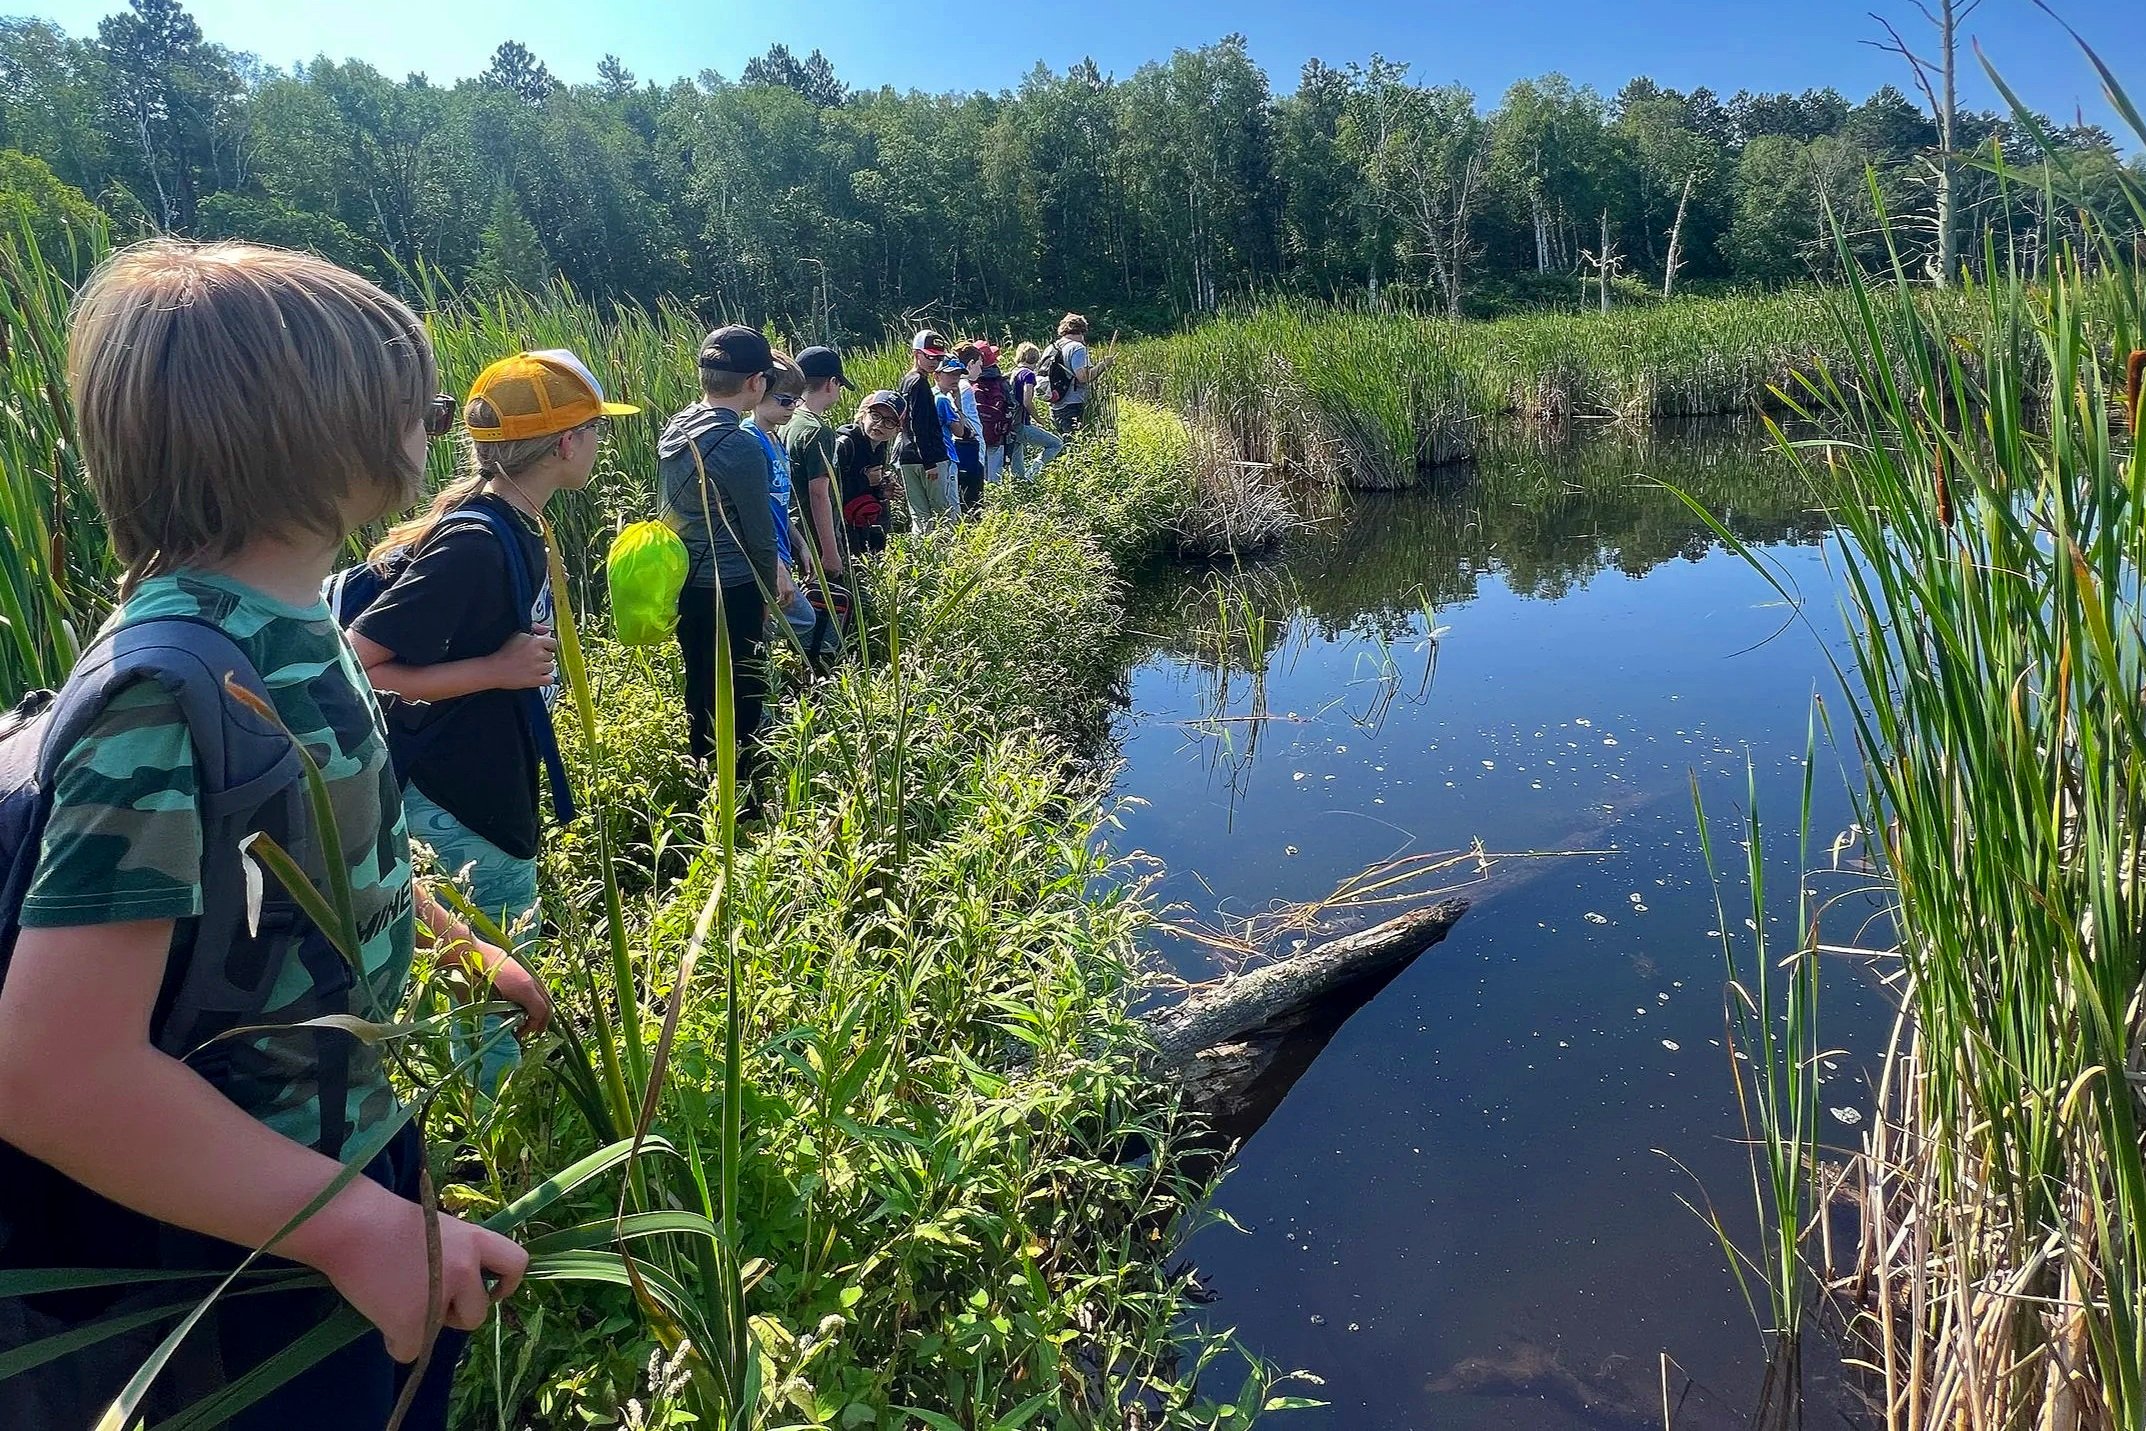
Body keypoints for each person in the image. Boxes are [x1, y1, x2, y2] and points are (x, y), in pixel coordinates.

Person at [0, 239, 542, 1430]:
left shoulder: (296, 629)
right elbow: (52, 1073)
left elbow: (338, 856)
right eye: (424, 407)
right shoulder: (169, 685)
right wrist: (349, 1227)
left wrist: (464, 951)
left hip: (339, 1158)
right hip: (238, 1239)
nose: (437, 427)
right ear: (321, 433)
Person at [347, 348, 633, 1092]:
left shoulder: (510, 520)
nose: (601, 442)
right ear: (566, 443)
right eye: (596, 429)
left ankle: (498, 1122)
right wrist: (496, 672)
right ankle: (503, 1150)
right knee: (490, 989)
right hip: (459, 804)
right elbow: (359, 661)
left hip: (486, 788)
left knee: (493, 977)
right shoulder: (476, 541)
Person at [658, 325, 780, 776]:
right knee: (743, 691)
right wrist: (768, 597)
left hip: (686, 582)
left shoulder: (677, 427)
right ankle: (743, 793)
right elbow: (761, 537)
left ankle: (704, 772)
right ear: (754, 382)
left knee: (700, 684)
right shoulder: (740, 445)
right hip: (732, 586)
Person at [746, 354, 836, 667]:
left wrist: (801, 544)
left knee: (794, 623)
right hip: (766, 557)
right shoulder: (750, 440)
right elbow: (752, 509)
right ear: (758, 394)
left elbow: (780, 504)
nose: (791, 409)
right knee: (792, 623)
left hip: (783, 551)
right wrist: (774, 563)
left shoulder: (776, 439)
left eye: (795, 401)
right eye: (785, 401)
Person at [895, 329, 956, 528]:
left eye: (938, 358)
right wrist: (930, 462)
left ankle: (921, 556)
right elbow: (919, 424)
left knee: (919, 515)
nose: (934, 362)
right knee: (942, 513)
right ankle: (946, 555)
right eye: (929, 356)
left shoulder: (906, 380)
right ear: (916, 354)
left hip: (907, 456)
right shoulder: (920, 384)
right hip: (929, 458)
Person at [836, 390, 901, 558]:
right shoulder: (845, 444)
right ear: (864, 415)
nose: (879, 424)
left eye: (889, 421)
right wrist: (865, 480)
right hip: (841, 527)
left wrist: (882, 490)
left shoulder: (880, 446)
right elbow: (827, 490)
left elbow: (869, 489)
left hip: (864, 522)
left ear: (897, 430)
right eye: (876, 416)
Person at [1044, 312, 1113, 436]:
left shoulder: (1051, 348)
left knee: (1060, 445)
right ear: (1082, 330)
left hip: (1055, 403)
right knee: (1074, 443)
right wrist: (1104, 364)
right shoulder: (1077, 348)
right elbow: (1083, 377)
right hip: (1072, 404)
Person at [1007, 341, 1066, 479]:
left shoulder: (1014, 373)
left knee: (1017, 466)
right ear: (1035, 359)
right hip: (1021, 424)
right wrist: (1039, 419)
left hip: (1011, 423)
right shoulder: (1028, 375)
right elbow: (1027, 401)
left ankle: (1020, 486)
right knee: (1056, 443)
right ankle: (1032, 474)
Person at [971, 342, 1016, 488]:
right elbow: (1011, 405)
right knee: (995, 474)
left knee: (979, 471)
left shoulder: (968, 381)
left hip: (975, 434)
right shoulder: (998, 380)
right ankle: (996, 497)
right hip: (997, 434)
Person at [952, 341, 986, 511]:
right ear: (970, 364)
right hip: (969, 450)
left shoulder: (954, 386)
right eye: (979, 365)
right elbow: (960, 417)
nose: (981, 370)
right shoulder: (964, 387)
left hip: (961, 450)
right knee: (973, 502)